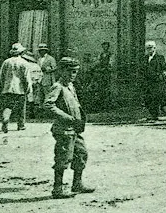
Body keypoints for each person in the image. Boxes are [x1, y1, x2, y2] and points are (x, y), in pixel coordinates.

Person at [44, 56, 95, 199]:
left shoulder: (70, 86)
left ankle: (77, 184)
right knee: (63, 157)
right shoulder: (57, 87)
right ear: (62, 71)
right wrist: (67, 117)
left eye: (76, 72)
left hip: (75, 129)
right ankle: (57, 189)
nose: (74, 75)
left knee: (81, 154)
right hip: (64, 129)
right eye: (71, 71)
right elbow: (48, 105)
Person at [0, 42, 32, 133]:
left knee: (8, 106)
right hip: (20, 89)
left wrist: (4, 86)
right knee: (21, 107)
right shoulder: (24, 63)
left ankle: (5, 119)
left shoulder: (6, 62)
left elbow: (1, 75)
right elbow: (27, 77)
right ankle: (21, 125)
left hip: (8, 88)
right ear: (21, 52)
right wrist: (29, 88)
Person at [140, 40, 166, 121]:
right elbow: (142, 70)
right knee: (148, 99)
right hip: (147, 82)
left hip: (157, 82)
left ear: (155, 48)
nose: (149, 50)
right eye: (147, 48)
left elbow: (164, 70)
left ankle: (154, 115)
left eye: (151, 48)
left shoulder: (160, 58)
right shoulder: (144, 58)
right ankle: (152, 114)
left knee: (155, 98)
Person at [91, 42, 114, 111]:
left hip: (107, 74)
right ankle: (101, 104)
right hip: (100, 74)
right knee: (100, 88)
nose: (105, 48)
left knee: (107, 88)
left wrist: (107, 68)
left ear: (108, 47)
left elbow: (111, 64)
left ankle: (107, 105)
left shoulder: (110, 55)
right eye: (103, 47)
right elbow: (97, 62)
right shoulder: (100, 55)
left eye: (106, 47)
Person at [36, 44, 57, 114]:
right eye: (40, 51)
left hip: (48, 79)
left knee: (48, 95)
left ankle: (48, 110)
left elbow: (54, 68)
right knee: (40, 95)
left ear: (45, 51)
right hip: (40, 79)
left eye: (42, 50)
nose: (41, 52)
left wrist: (47, 69)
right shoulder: (38, 59)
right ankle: (41, 110)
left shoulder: (50, 59)